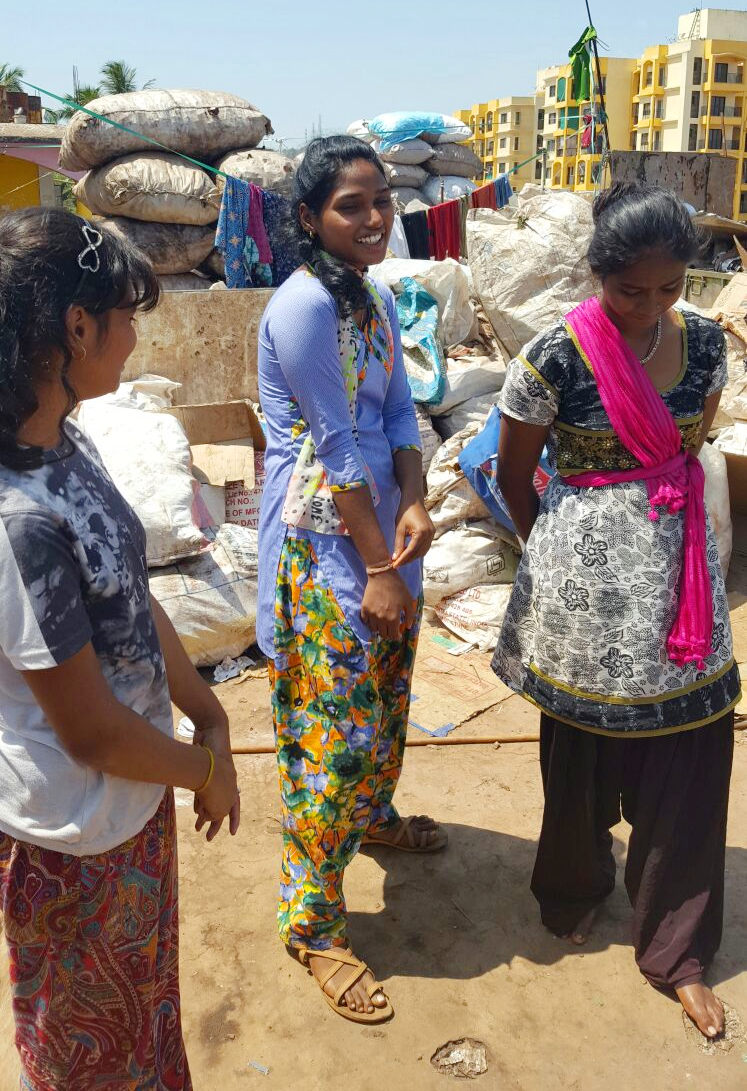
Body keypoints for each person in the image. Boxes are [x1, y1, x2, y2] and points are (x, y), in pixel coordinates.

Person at [0, 208, 241, 1089]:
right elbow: (91, 733)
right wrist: (204, 769)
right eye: (126, 313)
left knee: (141, 1028)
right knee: (83, 1055)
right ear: (75, 325)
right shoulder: (20, 523)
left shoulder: (69, 439)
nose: (137, 334)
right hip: (72, 838)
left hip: (129, 808)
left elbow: (129, 596)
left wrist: (207, 709)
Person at [492, 183, 740, 1040]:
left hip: (680, 583)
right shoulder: (552, 357)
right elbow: (511, 475)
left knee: (693, 752)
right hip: (586, 588)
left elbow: (691, 441)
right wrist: (560, 559)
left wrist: (664, 538)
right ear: (595, 272)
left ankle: (675, 948)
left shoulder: (706, 345)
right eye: (629, 289)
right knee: (580, 751)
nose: (648, 306)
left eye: (668, 288)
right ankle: (572, 887)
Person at [257, 135, 444, 1024]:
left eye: (380, 201)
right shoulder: (301, 308)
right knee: (330, 738)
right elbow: (333, 448)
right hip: (326, 541)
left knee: (383, 702)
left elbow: (401, 413)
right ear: (308, 218)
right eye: (350, 205)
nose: (374, 218)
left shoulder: (368, 296)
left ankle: (372, 821)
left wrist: (413, 501)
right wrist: (375, 564)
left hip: (382, 530)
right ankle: (313, 918)